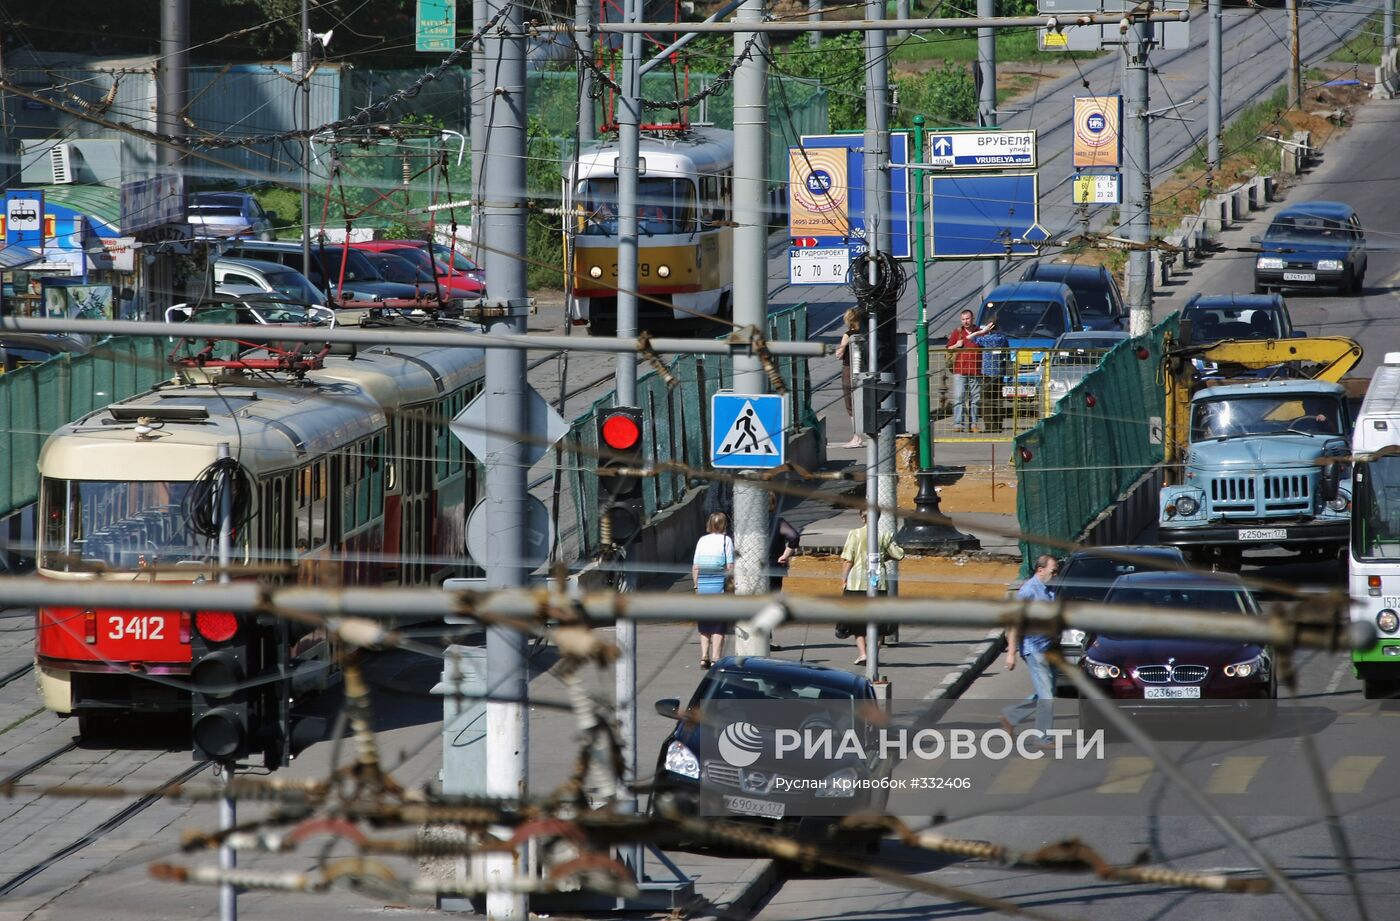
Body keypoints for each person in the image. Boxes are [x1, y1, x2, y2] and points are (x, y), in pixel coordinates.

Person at [1000, 554, 1059, 745]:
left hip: (1050, 648)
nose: (1055, 574)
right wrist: (1011, 654)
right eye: (1053, 571)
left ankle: (1011, 716)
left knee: (1047, 691)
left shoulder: (1049, 589)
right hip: (1034, 649)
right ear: (1040, 570)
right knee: (1047, 695)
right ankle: (1043, 738)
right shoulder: (1029, 591)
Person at [838, 509, 905, 666]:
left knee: (857, 621)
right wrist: (883, 556)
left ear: (862, 518)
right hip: (878, 582)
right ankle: (873, 655)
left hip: (856, 582)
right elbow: (899, 554)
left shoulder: (854, 534)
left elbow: (848, 560)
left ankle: (863, 654)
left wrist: (844, 578)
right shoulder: (884, 535)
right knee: (879, 620)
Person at [692, 512, 735, 669]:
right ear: (724, 524)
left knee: (704, 622)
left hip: (703, 584)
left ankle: (704, 656)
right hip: (719, 585)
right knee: (718, 624)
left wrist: (696, 586)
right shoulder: (726, 540)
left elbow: (696, 566)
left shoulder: (702, 541)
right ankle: (716, 657)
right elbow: (730, 565)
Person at [947, 309, 991, 432]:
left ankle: (973, 424)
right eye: (963, 319)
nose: (966, 321)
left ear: (972, 319)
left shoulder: (979, 332)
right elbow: (948, 348)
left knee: (975, 399)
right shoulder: (958, 332)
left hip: (976, 370)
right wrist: (957, 345)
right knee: (959, 397)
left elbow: (987, 346)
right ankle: (958, 424)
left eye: (968, 319)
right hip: (960, 370)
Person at [834, 308, 866, 449]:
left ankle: (857, 437)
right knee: (864, 401)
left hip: (850, 370)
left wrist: (840, 349)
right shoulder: (867, 333)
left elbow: (839, 354)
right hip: (864, 370)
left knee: (851, 404)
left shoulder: (848, 334)